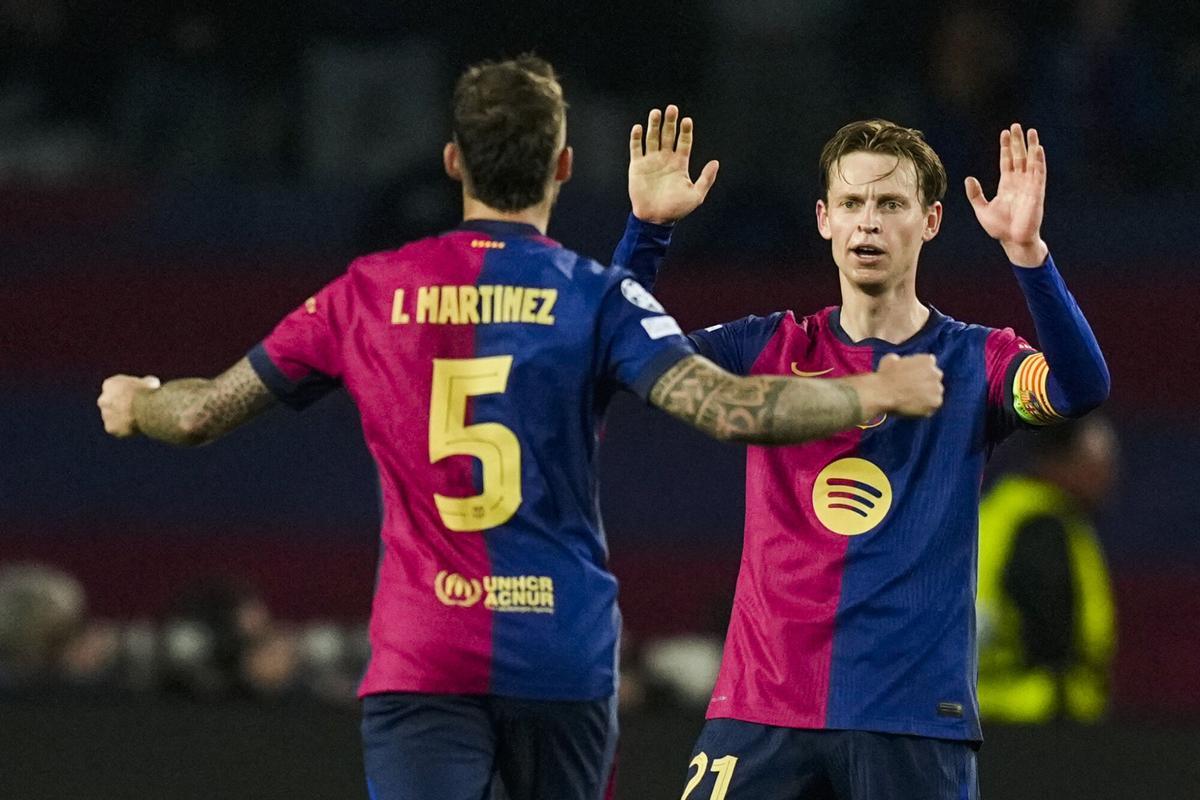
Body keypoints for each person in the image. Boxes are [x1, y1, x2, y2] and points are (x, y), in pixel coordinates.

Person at [97, 59, 944, 800]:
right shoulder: (594, 297)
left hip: (422, 656)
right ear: (566, 166)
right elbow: (730, 409)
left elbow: (204, 412)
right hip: (560, 658)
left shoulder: (366, 292)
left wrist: (137, 402)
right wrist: (870, 390)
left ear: (453, 161)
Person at [620, 118, 1110, 799]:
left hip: (911, 722)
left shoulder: (977, 360)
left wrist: (1028, 253)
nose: (868, 224)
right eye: (851, 204)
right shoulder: (767, 346)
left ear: (932, 220)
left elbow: (1080, 388)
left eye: (890, 204)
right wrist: (647, 232)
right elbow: (617, 362)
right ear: (824, 219)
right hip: (762, 712)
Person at [977, 415, 1118, 723]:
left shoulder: (1004, 508)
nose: (1108, 477)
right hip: (1035, 713)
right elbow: (1050, 629)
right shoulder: (1043, 526)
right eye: (1098, 464)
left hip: (988, 704)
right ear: (1066, 460)